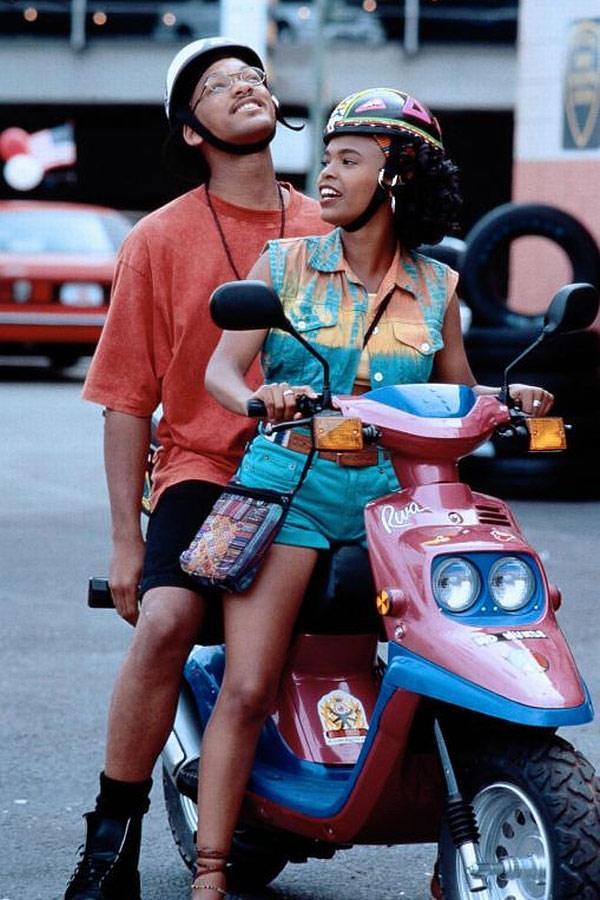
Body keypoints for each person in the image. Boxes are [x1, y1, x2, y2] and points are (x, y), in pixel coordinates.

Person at [200, 87, 554, 899]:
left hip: (398, 503)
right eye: (326, 158)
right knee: (249, 686)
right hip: (290, 489)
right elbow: (221, 372)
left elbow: (458, 390)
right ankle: (212, 871)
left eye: (348, 160)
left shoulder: (439, 287)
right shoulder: (284, 265)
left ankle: (453, 840)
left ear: (397, 179)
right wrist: (261, 398)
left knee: (451, 657)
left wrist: (511, 400)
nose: (325, 175)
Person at [63, 36, 328, 900]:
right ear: (191, 129)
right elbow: (126, 401)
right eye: (219, 85)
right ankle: (111, 842)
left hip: (325, 471)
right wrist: (125, 542)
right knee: (168, 618)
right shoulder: (157, 239)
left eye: (255, 77)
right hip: (206, 470)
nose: (246, 86)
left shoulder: (329, 227)